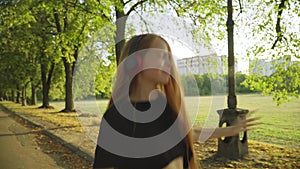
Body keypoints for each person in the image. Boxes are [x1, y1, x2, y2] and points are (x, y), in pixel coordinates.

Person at [93, 33, 260, 169]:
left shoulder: (163, 105)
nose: (170, 64)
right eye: (161, 56)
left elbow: (187, 134)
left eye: (169, 57)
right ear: (136, 62)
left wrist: (231, 131)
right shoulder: (116, 117)